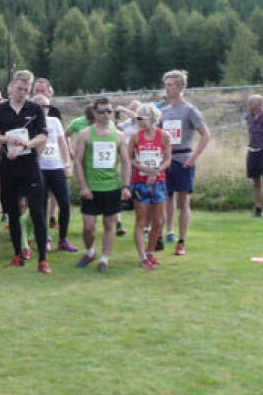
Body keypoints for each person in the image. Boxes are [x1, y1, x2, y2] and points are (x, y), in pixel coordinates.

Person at [0, 70, 51, 274]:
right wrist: (8, 139)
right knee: (12, 212)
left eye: (26, 89)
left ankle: (42, 259)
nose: (22, 93)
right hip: (9, 167)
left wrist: (28, 144)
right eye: (19, 88)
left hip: (30, 166)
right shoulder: (0, 110)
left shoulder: (35, 108)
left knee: (37, 213)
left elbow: (43, 136)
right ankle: (18, 255)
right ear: (12, 86)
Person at [72, 97, 132, 273]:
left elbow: (126, 162)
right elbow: (78, 162)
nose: (105, 115)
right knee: (89, 226)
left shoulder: (119, 135)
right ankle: (90, 252)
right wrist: (83, 186)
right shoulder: (85, 134)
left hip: (112, 187)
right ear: (94, 113)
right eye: (101, 111)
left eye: (108, 111)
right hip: (91, 188)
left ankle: (104, 259)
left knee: (109, 224)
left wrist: (126, 186)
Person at [160, 69, 211, 255]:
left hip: (183, 160)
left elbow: (206, 135)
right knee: (165, 198)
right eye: (165, 84)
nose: (166, 88)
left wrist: (193, 157)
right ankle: (163, 234)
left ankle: (181, 241)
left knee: (184, 200)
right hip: (166, 160)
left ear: (180, 87)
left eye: (170, 84)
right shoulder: (163, 111)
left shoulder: (190, 110)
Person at [128, 102, 171, 269]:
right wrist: (142, 168)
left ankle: (151, 252)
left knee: (159, 221)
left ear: (151, 119)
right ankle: (142, 256)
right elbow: (128, 158)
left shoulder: (164, 136)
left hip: (158, 182)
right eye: (137, 118)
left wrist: (157, 170)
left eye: (141, 118)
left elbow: (167, 159)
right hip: (141, 182)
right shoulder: (135, 137)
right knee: (141, 220)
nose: (137, 121)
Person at [33, 93, 76, 253]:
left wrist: (67, 164)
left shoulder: (54, 121)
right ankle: (44, 239)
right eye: (40, 106)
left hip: (56, 167)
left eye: (46, 106)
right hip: (40, 169)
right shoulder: (31, 122)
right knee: (41, 205)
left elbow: (62, 142)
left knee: (64, 202)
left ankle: (63, 239)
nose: (44, 109)